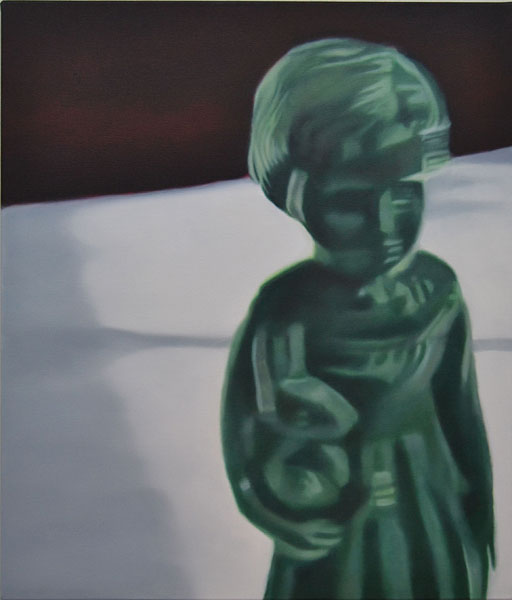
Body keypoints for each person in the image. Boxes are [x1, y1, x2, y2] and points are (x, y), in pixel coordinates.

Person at [221, 38, 494, 599]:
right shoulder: (286, 310)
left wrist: (479, 511)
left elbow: (461, 414)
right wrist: (277, 514)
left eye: (406, 192)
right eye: (350, 200)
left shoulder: (438, 292)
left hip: (427, 515)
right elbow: (246, 431)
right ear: (298, 195)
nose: (385, 223)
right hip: (334, 531)